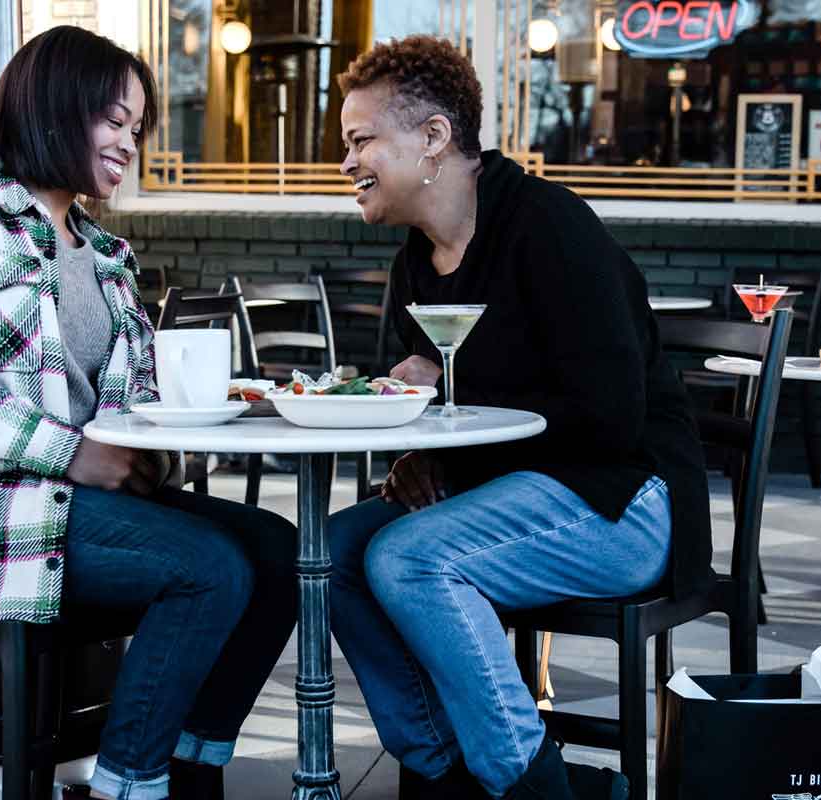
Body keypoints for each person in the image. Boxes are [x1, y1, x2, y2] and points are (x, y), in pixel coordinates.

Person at [0, 26, 297, 800]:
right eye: (114, 121)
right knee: (209, 567)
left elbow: (129, 407)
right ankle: (127, 786)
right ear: (57, 106)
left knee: (278, 552)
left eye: (137, 129)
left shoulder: (105, 254)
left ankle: (185, 770)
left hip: (77, 501)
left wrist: (162, 444)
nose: (130, 144)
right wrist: (72, 454)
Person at [329, 35, 711, 800]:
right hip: (505, 499)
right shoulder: (417, 259)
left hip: (623, 501)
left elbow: (608, 415)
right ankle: (444, 772)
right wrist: (422, 450)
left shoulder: (548, 228)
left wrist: (452, 399)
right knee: (334, 551)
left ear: (434, 138)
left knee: (408, 558)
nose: (346, 162)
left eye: (361, 139)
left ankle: (532, 786)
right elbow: (449, 410)